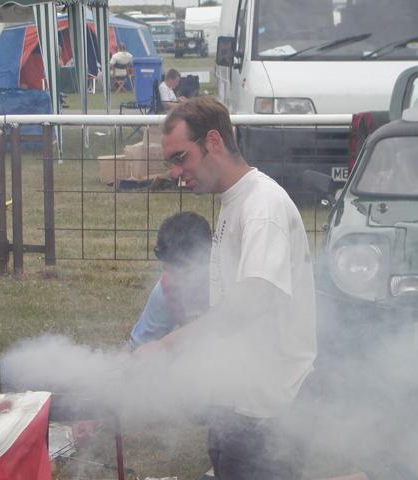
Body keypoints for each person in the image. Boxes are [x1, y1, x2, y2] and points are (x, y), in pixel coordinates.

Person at [134, 96, 317, 480]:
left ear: (213, 141)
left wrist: (166, 346)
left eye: (181, 157)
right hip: (238, 400)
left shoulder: (262, 206)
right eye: (171, 162)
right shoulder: (235, 201)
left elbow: (250, 303)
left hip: (268, 410)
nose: (175, 172)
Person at [128, 212, 211, 351]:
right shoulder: (166, 288)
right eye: (169, 270)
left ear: (207, 258)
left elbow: (223, 323)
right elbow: (138, 345)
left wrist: (165, 344)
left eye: (184, 273)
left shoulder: (230, 282)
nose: (175, 282)